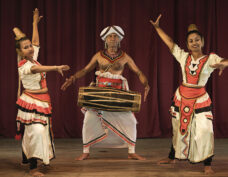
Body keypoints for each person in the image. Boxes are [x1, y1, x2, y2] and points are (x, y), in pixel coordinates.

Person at [150, 14, 228, 174]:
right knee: (178, 128)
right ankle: (172, 157)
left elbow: (225, 61)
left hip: (200, 99)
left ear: (203, 42)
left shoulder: (210, 59)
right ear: (187, 44)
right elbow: (170, 43)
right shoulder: (183, 56)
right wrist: (158, 28)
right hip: (182, 97)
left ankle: (207, 164)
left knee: (205, 130)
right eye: (191, 41)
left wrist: (223, 65)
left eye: (197, 40)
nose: (194, 43)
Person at [61, 25, 150, 160]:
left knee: (131, 121)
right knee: (89, 119)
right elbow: (85, 70)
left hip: (118, 94)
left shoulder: (125, 57)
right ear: (105, 40)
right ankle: (86, 151)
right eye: (110, 36)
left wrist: (146, 84)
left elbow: (138, 72)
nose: (113, 38)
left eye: (115, 36)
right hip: (100, 94)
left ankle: (131, 152)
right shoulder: (98, 55)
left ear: (119, 39)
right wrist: (72, 78)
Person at [14, 8, 70, 177]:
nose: (31, 48)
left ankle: (31, 159)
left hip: (41, 100)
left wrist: (34, 24)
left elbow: (36, 42)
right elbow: (38, 68)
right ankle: (33, 167)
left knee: (38, 132)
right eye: (26, 47)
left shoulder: (32, 57)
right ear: (20, 52)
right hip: (32, 101)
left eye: (29, 46)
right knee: (35, 132)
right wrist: (56, 67)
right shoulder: (26, 66)